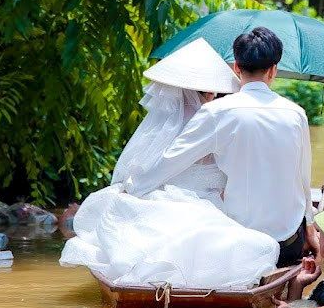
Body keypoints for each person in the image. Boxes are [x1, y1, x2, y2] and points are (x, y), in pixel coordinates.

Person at [60, 38, 281, 289]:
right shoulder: (214, 118)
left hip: (172, 198)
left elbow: (158, 167)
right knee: (245, 243)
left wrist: (132, 188)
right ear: (210, 91)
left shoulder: (168, 121)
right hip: (207, 205)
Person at [150, 27, 314, 266]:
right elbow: (304, 178)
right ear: (273, 70)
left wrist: (133, 187)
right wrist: (309, 225)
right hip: (289, 242)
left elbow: (170, 161)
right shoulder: (296, 114)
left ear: (236, 67)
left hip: (241, 243)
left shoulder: (217, 112)